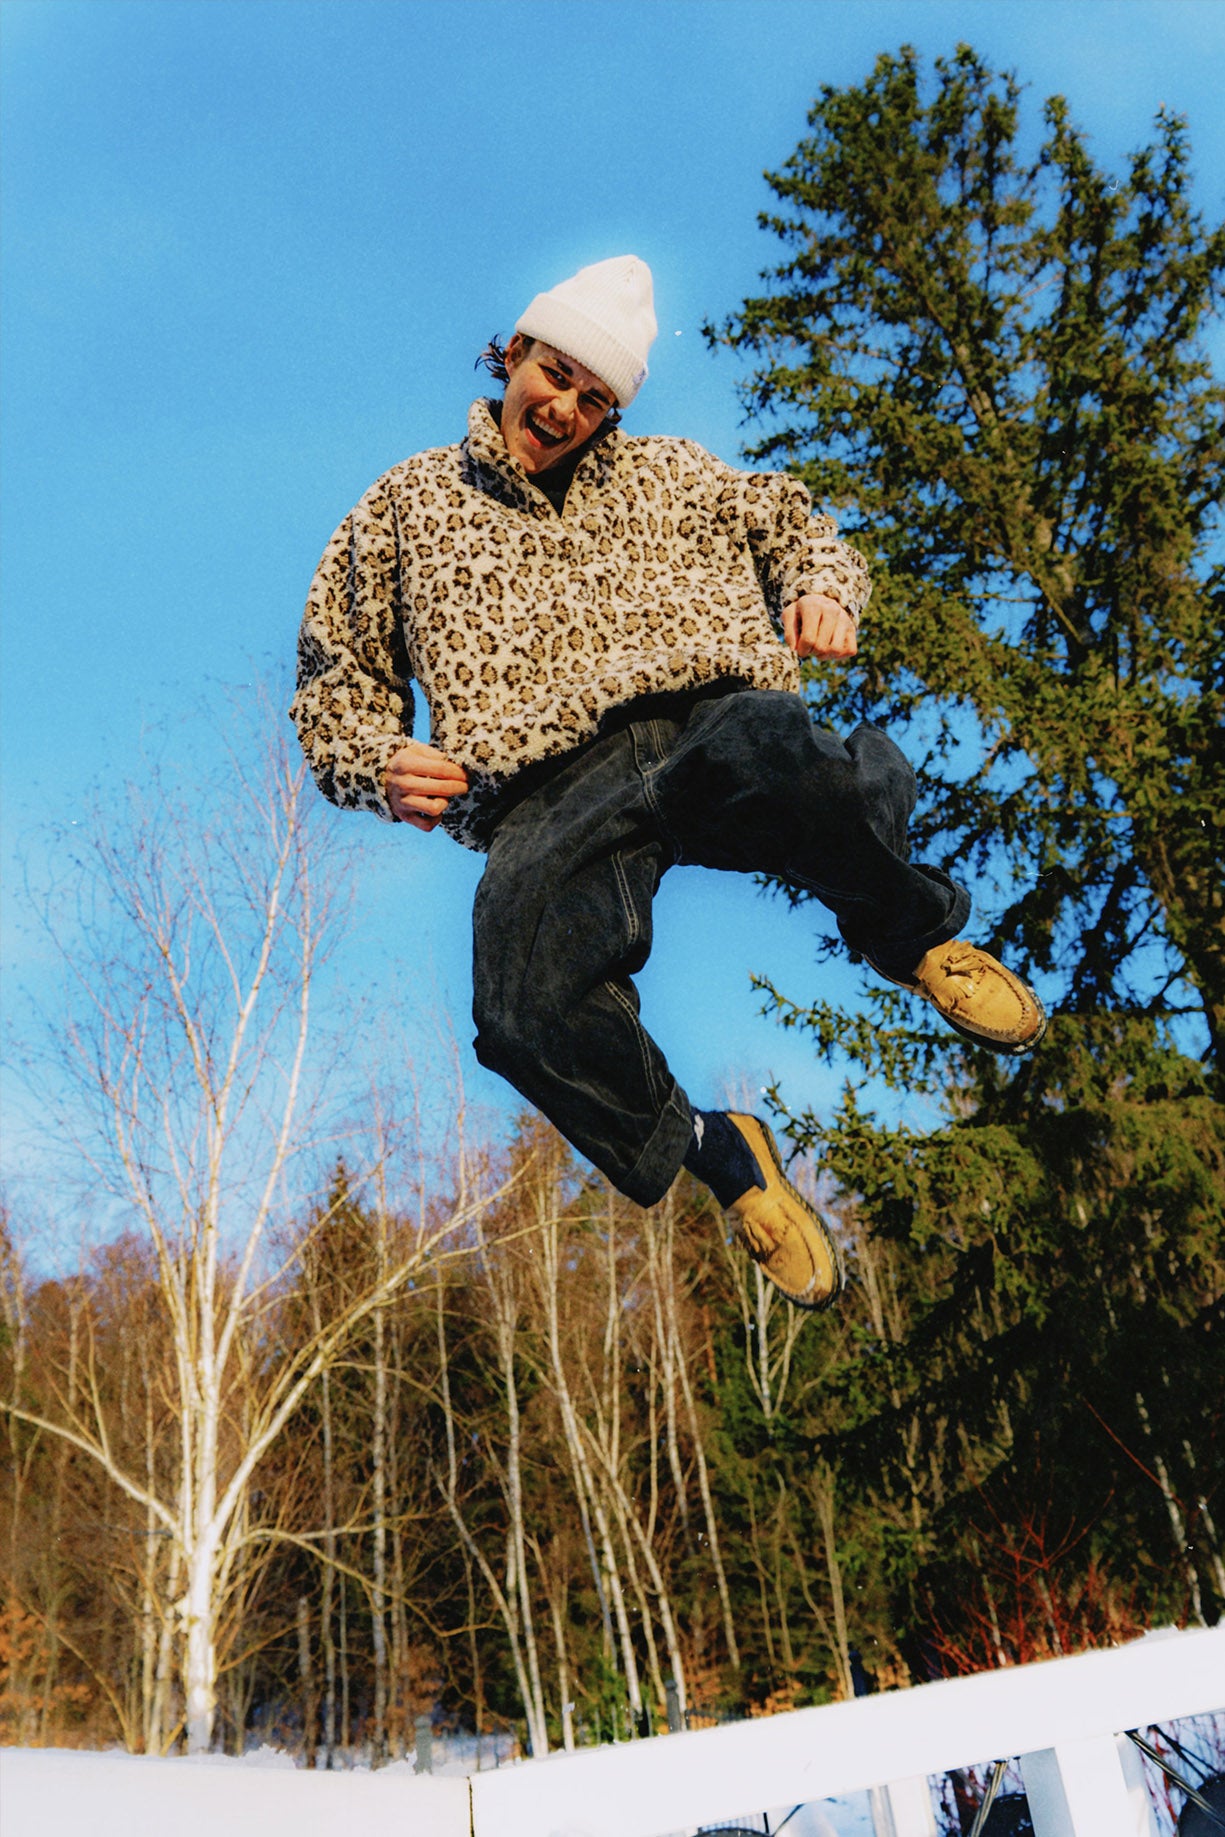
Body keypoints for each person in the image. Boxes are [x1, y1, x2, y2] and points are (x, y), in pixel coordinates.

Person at [292, 255, 1045, 1312]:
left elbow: (792, 523)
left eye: (595, 398)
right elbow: (334, 675)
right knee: (519, 1011)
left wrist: (821, 588)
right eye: (555, 375)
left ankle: (914, 939)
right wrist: (374, 761)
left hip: (706, 720)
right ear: (514, 354)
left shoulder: (674, 474)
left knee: (803, 767)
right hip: (545, 788)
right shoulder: (407, 505)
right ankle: (722, 1154)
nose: (564, 409)